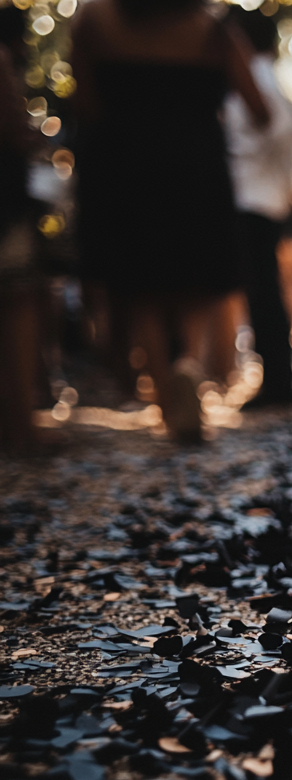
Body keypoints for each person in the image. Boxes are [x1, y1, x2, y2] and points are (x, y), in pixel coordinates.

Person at [72, 0, 268, 442]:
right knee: (195, 283)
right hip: (196, 165)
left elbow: (84, 102)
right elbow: (259, 107)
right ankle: (190, 364)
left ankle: (164, 398)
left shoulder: (94, 19)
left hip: (125, 167)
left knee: (141, 287)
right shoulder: (212, 25)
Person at [224, 6, 292, 410]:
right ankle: (277, 379)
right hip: (267, 200)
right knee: (266, 292)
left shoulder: (255, 84)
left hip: (252, 200)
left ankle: (278, 383)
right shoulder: (271, 82)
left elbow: (263, 129)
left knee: (263, 294)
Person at [0, 4, 38, 452]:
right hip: (5, 200)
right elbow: (13, 127)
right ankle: (21, 425)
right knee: (18, 299)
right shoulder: (2, 61)